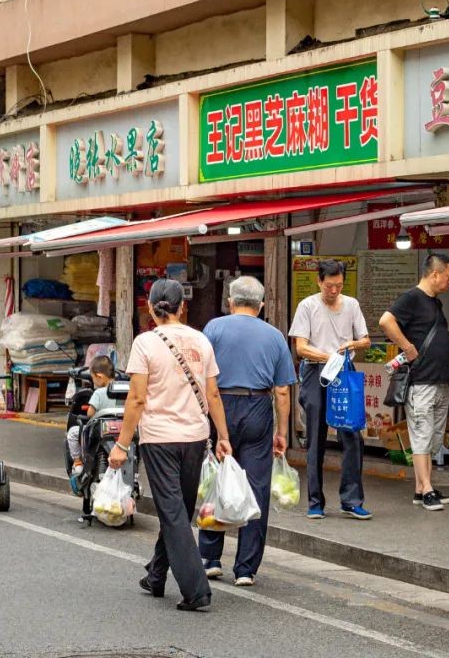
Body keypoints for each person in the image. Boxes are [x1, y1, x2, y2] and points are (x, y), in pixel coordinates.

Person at [109, 279, 232, 611]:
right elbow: (213, 394)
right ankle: (156, 574)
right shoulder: (201, 340)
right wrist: (223, 437)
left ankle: (196, 590)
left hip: (159, 439)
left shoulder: (145, 342)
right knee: (177, 512)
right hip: (195, 438)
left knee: (174, 514)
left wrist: (121, 445)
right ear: (182, 307)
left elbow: (136, 398)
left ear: (150, 308)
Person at [198, 276, 296, 587]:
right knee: (256, 488)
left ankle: (211, 558)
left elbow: (203, 380)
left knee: (216, 479)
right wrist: (282, 432)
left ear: (230, 301)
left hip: (221, 406)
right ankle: (245, 568)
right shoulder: (275, 336)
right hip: (258, 408)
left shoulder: (213, 329)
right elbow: (282, 390)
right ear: (261, 305)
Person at [289, 258, 372, 520]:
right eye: (329, 286)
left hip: (344, 371)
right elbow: (300, 347)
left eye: (338, 285)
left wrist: (352, 346)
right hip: (316, 371)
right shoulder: (307, 306)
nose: (334, 291)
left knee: (352, 435)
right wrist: (328, 357)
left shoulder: (352, 305)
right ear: (319, 281)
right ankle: (315, 501)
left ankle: (351, 499)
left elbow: (366, 340)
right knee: (316, 436)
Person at [379, 253, 449, 511]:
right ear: (434, 274)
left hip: (438, 380)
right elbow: (385, 321)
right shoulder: (412, 297)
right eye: (447, 276)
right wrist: (407, 347)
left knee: (432, 436)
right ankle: (427, 489)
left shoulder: (435, 302)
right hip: (422, 380)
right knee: (422, 434)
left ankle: (421, 487)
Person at [67, 354, 117, 495]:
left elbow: (89, 413)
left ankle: (77, 463)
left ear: (100, 376)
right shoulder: (124, 389)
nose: (94, 381)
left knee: (73, 433)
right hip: (120, 429)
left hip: (100, 430)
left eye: (93, 378)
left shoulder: (99, 393)